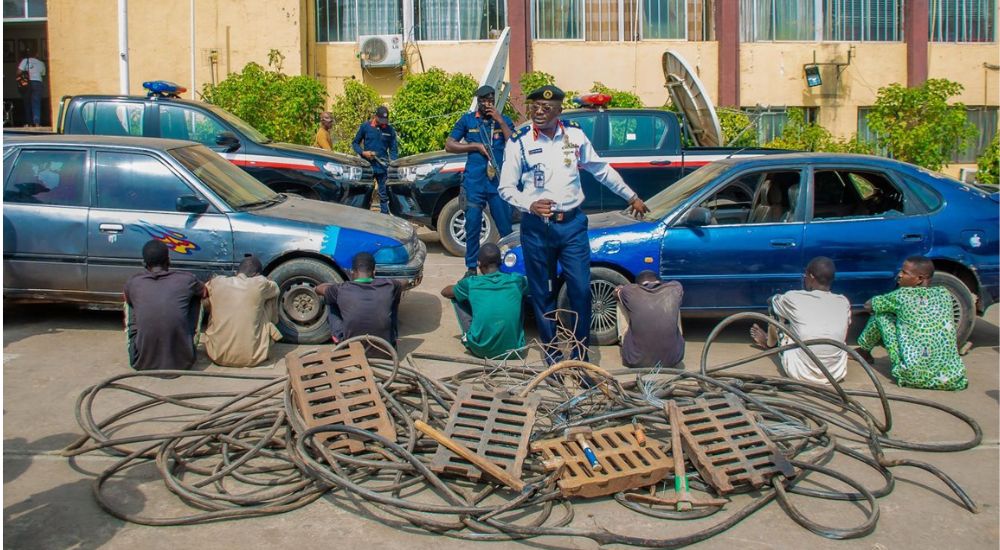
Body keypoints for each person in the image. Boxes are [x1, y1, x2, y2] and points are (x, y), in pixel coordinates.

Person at [497, 85, 649, 362]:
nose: (539, 112)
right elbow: (506, 187)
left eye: (547, 108)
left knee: (580, 289)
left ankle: (580, 356)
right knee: (543, 292)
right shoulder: (519, 141)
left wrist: (631, 196)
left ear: (559, 110)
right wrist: (528, 203)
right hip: (537, 228)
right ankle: (552, 355)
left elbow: (600, 169)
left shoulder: (575, 136)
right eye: (535, 107)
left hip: (572, 226)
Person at [855, 256, 967, 390]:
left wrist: (889, 307)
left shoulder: (902, 295)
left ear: (920, 279)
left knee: (880, 314)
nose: (900, 275)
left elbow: (868, 305)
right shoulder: (944, 294)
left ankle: (863, 351)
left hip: (912, 376)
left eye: (905, 273)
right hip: (950, 378)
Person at [445, 85, 515, 277]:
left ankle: (508, 265)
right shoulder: (468, 120)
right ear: (478, 100)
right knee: (473, 224)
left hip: (497, 182)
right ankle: (470, 267)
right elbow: (449, 145)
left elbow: (514, 143)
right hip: (474, 182)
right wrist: (474, 146)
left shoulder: (503, 120)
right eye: (484, 100)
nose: (487, 104)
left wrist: (500, 120)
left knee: (505, 227)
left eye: (490, 101)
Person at [750, 257, 851, 384]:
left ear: (811, 277)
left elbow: (771, 301)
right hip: (835, 373)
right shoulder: (843, 302)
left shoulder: (793, 298)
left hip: (801, 373)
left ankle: (769, 343)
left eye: (805, 275)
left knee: (776, 310)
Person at [123, 240, 206, 371]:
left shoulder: (133, 282)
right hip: (184, 362)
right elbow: (205, 292)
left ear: (144, 264)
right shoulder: (187, 280)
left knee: (129, 300)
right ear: (169, 260)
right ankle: (187, 344)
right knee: (197, 296)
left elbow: (127, 299)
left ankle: (142, 348)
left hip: (140, 362)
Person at [441, 243, 527, 359]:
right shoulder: (516, 280)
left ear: (479, 264)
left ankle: (472, 336)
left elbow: (445, 292)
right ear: (500, 262)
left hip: (481, 350)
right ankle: (510, 335)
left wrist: (460, 286)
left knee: (457, 297)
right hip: (514, 350)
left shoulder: (471, 283)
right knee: (520, 295)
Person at [203, 256, 282, 368]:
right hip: (254, 357)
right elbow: (275, 289)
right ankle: (266, 337)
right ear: (256, 275)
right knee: (269, 298)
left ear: (237, 272)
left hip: (217, 355)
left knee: (212, 300)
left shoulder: (217, 282)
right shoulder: (261, 283)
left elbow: (203, 293)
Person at [316, 252, 404, 346]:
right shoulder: (389, 285)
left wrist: (335, 286)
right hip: (385, 350)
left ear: (352, 272)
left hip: (350, 348)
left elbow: (318, 289)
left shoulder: (340, 289)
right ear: (374, 272)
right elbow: (405, 282)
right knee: (394, 296)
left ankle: (339, 339)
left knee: (330, 298)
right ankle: (391, 338)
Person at [615, 270, 684, 368]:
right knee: (673, 301)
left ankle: (624, 341)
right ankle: (672, 343)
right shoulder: (676, 288)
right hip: (673, 359)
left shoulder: (629, 291)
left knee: (620, 301)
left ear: (639, 285)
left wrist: (620, 290)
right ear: (659, 282)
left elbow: (615, 294)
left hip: (634, 360)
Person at [352, 106, 398, 214]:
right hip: (368, 166)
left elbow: (393, 149)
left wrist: (393, 163)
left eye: (385, 120)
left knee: (383, 194)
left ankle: (384, 217)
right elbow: (355, 143)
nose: (383, 123)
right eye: (381, 120)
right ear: (375, 116)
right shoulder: (365, 127)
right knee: (365, 192)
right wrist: (363, 153)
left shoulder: (389, 130)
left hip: (382, 167)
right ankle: (363, 215)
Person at [16, 47, 46, 127]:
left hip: (27, 83)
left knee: (27, 102)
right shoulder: (41, 63)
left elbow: (18, 72)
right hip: (38, 83)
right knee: (36, 102)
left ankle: (28, 123)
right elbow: (43, 74)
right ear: (37, 54)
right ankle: (37, 123)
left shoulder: (25, 61)